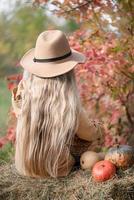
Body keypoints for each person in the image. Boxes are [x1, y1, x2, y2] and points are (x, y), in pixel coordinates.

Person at [11, 30, 104, 178]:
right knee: (93, 141)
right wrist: (99, 128)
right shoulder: (69, 104)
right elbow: (89, 134)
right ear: (67, 73)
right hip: (56, 168)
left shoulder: (23, 91)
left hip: (25, 166)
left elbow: (19, 112)